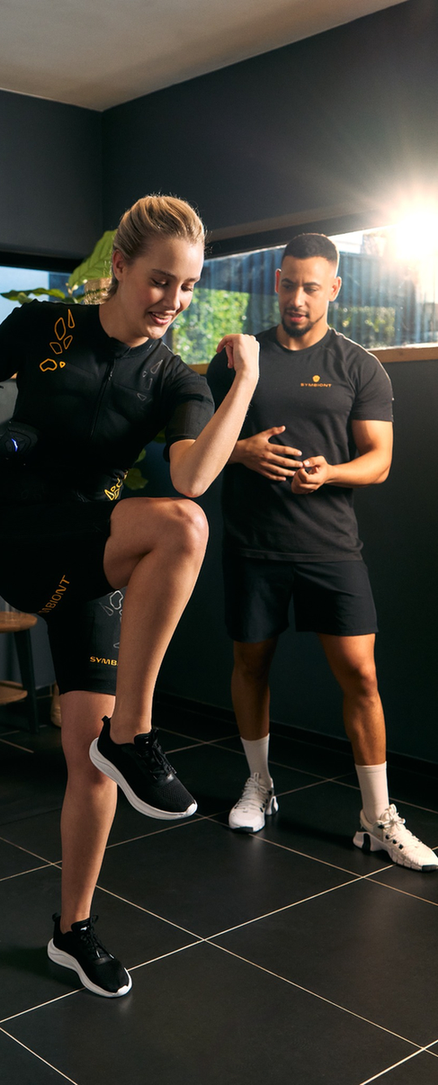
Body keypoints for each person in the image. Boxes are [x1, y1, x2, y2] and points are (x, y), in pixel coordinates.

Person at [0, 194, 260, 997]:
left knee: (88, 763)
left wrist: (245, 380)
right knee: (182, 531)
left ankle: (72, 928)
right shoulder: (48, 328)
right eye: (161, 280)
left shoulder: (172, 377)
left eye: (188, 287)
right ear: (119, 267)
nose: (174, 300)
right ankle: (137, 731)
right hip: (18, 527)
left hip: (89, 552)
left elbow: (194, 475)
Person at [206, 232, 436, 872]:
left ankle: (377, 818)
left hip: (331, 547)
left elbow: (380, 461)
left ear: (334, 288)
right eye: (288, 284)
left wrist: (328, 473)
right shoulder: (237, 358)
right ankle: (259, 784)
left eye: (312, 287)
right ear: (275, 282)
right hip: (253, 545)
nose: (297, 298)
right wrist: (242, 451)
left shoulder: (360, 366)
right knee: (250, 665)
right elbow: (198, 448)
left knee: (361, 678)